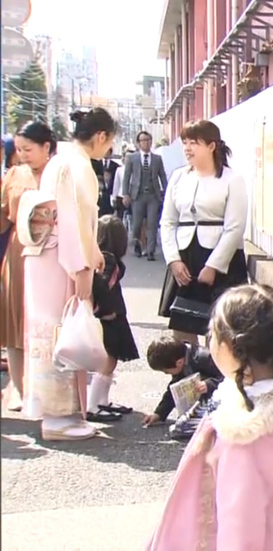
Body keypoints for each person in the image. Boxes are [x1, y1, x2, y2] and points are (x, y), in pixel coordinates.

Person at [146, 284, 273, 550]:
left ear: (233, 350)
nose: (208, 341)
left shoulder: (246, 436)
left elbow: (240, 534)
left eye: (213, 334)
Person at [20, 108, 116, 441]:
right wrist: (82, 267)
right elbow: (75, 222)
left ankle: (59, 413)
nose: (108, 151)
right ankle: (58, 417)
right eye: (109, 143)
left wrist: (91, 254)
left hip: (45, 256)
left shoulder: (61, 160)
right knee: (62, 331)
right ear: (101, 136)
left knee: (50, 332)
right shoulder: (78, 166)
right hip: (61, 259)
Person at [158, 120, 248, 343]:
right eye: (185, 142)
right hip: (185, 258)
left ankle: (216, 377)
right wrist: (173, 260)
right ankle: (186, 376)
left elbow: (235, 228)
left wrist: (214, 266)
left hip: (221, 260)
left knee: (220, 329)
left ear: (211, 146)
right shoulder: (179, 177)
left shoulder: (232, 179)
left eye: (194, 143)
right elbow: (167, 222)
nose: (187, 148)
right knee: (182, 327)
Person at [1, 121, 57, 412]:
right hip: (17, 252)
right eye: (19, 149)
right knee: (13, 323)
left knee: (46, 323)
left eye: (28, 149)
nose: (22, 155)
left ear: (46, 146)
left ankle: (48, 389)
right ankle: (20, 390)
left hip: (50, 253)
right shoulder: (14, 174)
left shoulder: (59, 172)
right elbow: (3, 215)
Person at [86, 214, 139, 423]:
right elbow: (100, 284)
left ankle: (103, 402)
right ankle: (93, 405)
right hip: (110, 316)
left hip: (111, 315)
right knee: (107, 360)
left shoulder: (103, 256)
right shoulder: (107, 258)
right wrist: (104, 309)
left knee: (111, 359)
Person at [142, 335, 224, 440]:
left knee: (181, 428)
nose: (166, 373)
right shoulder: (179, 361)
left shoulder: (204, 358)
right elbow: (173, 390)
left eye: (166, 371)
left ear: (179, 362)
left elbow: (229, 377)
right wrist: (159, 413)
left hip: (222, 399)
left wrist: (210, 384)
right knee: (180, 428)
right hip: (203, 401)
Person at [122, 131, 168, 260]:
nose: (146, 143)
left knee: (152, 223)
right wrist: (125, 194)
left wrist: (167, 191)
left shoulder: (157, 159)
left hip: (153, 195)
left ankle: (150, 251)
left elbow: (162, 176)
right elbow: (126, 177)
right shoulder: (132, 158)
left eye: (148, 140)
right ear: (138, 143)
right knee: (137, 224)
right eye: (143, 140)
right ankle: (137, 244)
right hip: (137, 195)